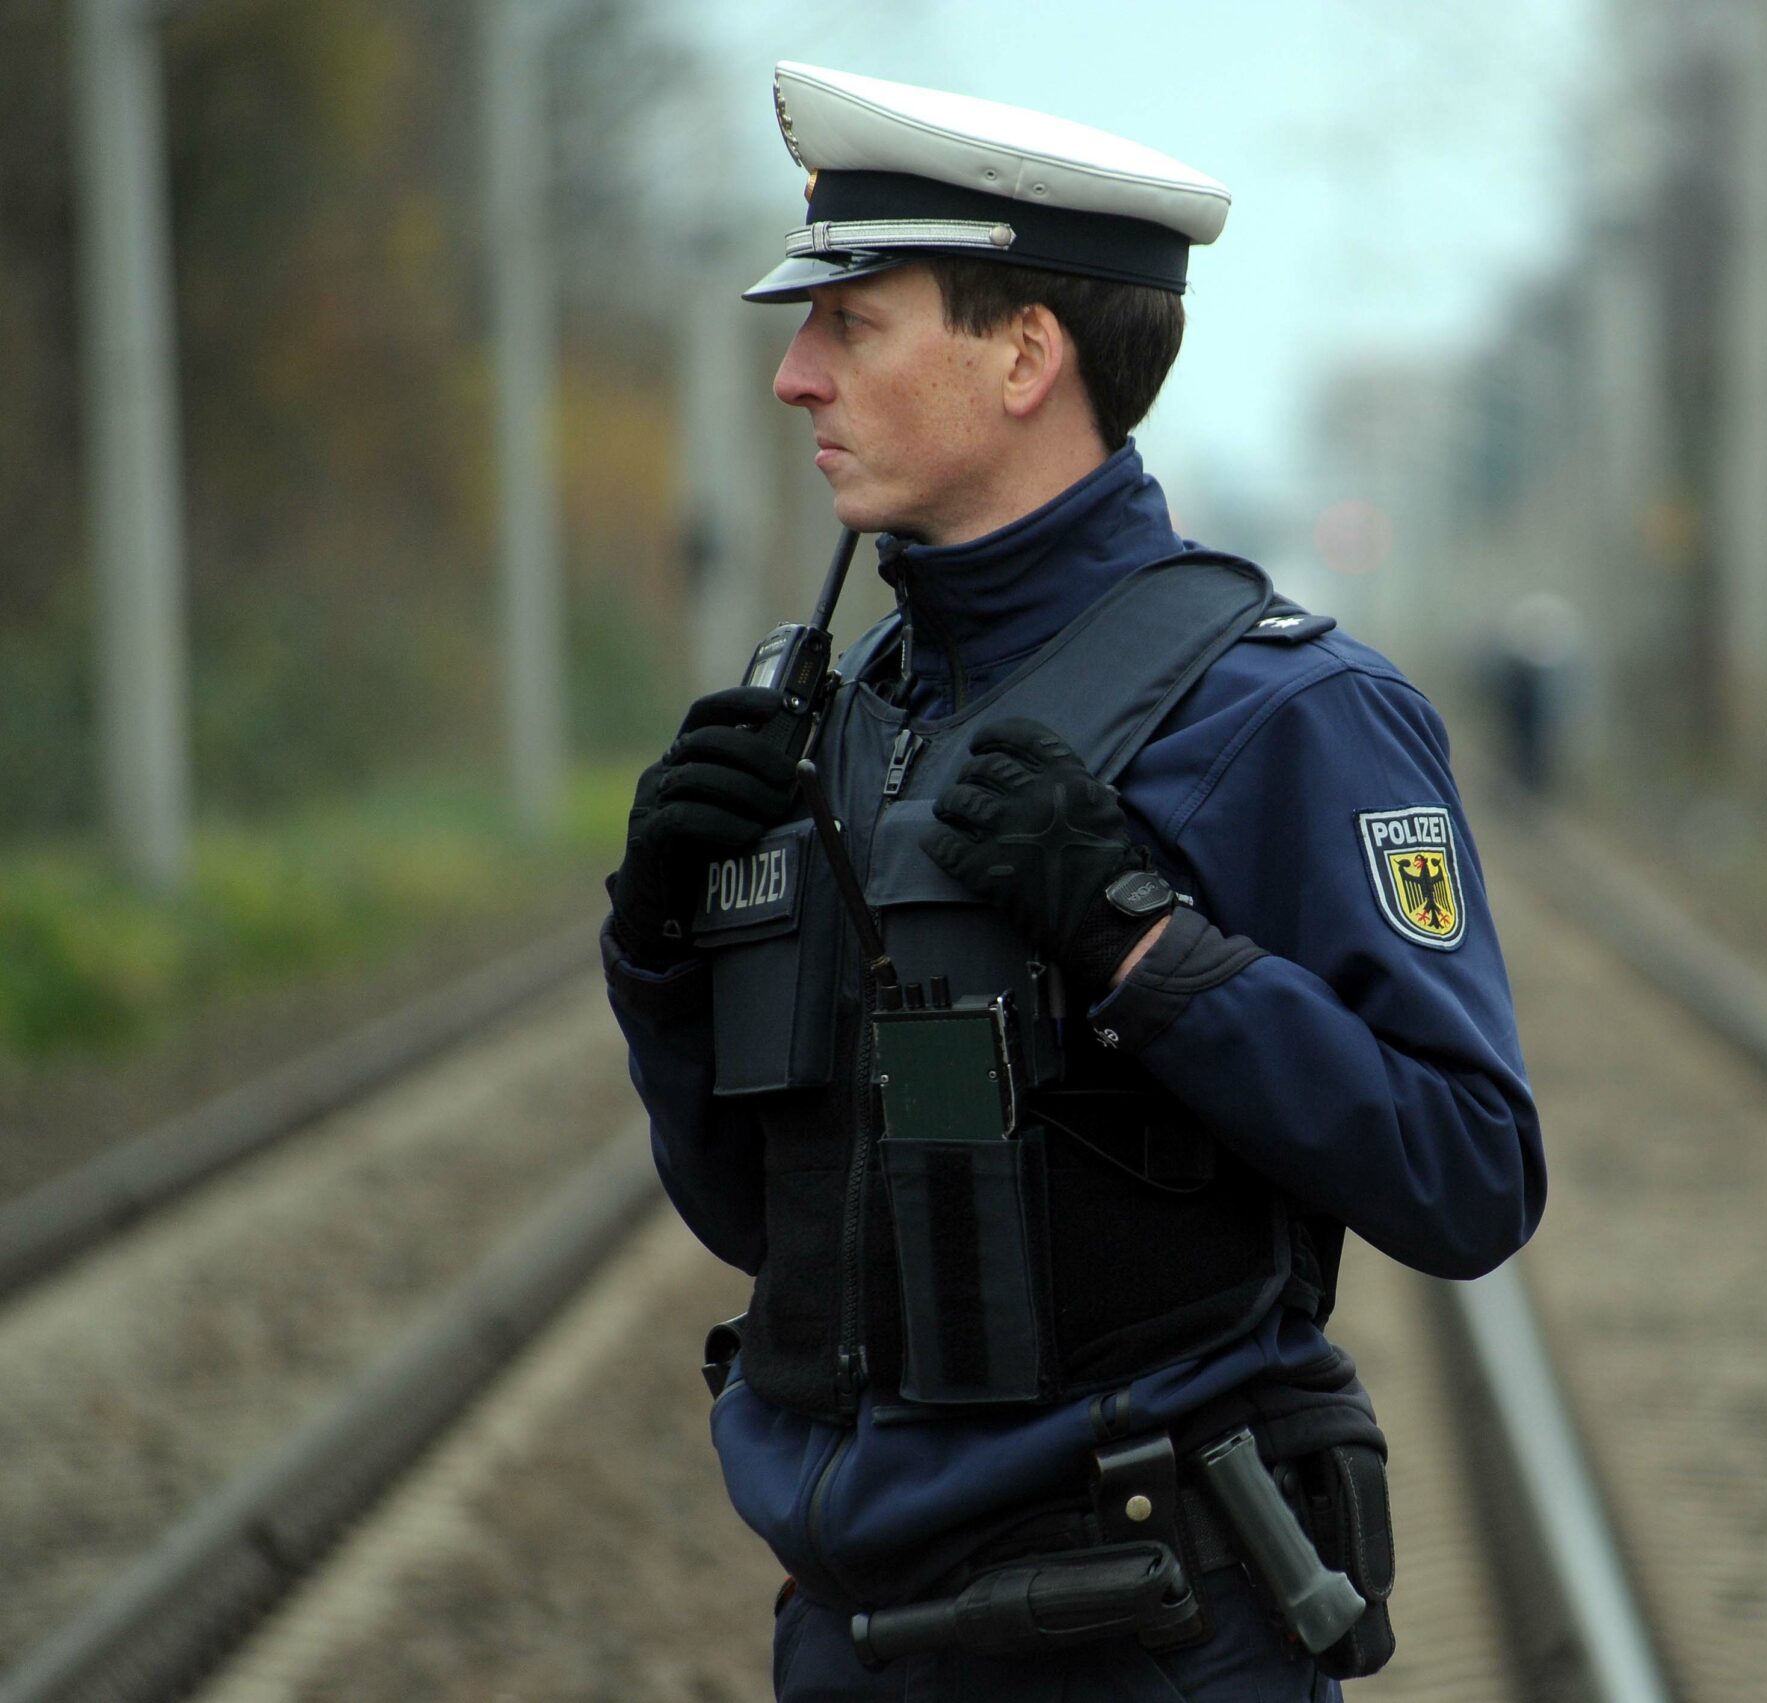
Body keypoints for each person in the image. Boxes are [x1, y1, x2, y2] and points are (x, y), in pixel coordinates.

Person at [599, 63, 1545, 1702]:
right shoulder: (851, 716)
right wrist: (661, 963)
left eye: (854, 325)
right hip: (849, 1645)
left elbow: (1470, 1172)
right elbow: (769, 1222)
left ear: (1025, 354)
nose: (792, 375)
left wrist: (1146, 946)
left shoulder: (1287, 715)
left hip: (1148, 1638)